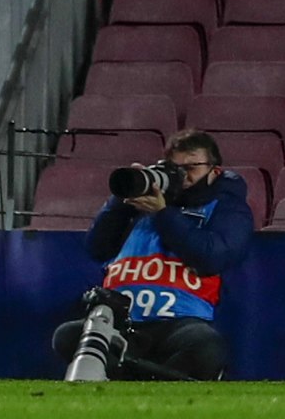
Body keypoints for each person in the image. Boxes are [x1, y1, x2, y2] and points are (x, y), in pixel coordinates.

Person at [53, 129, 253, 380]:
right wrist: (121, 200)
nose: (183, 176)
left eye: (192, 167)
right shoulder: (141, 204)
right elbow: (97, 248)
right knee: (66, 335)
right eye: (175, 168)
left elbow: (212, 255)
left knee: (207, 348)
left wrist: (163, 214)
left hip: (180, 321)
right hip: (122, 323)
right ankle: (150, 376)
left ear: (215, 172)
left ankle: (125, 373)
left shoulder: (226, 206)